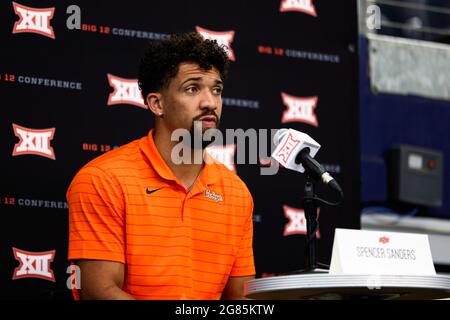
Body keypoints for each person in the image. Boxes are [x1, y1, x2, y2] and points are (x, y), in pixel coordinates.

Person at [67, 32, 255, 300]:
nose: (210, 103)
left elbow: (241, 299)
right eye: (192, 88)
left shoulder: (237, 193)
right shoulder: (103, 179)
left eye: (217, 90)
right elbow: (101, 291)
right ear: (157, 103)